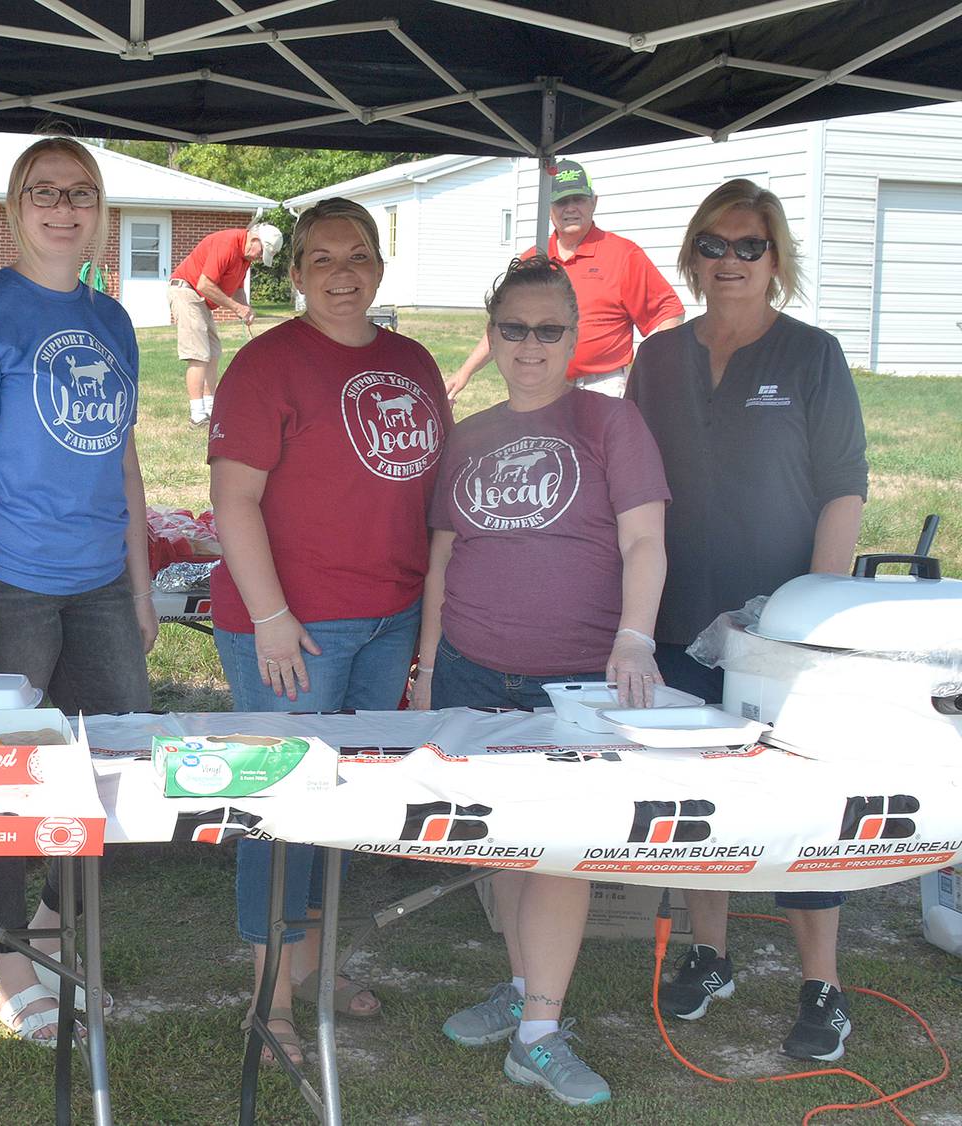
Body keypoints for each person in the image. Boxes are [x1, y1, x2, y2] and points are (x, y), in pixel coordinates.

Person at [412, 256, 670, 1107]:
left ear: (575, 335)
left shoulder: (610, 422)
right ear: (491, 337)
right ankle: (525, 989)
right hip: (471, 667)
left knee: (560, 850)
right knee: (503, 842)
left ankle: (538, 1036)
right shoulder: (468, 435)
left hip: (576, 679)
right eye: (514, 328)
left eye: (549, 329)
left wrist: (635, 637)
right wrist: (427, 669)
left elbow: (644, 540)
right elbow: (443, 560)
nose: (531, 344)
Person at [626, 179, 868, 1062]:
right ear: (692, 255)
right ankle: (709, 952)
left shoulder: (812, 354)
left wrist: (812, 616)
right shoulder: (657, 358)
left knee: (800, 798)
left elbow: (843, 490)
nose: (729, 261)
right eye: (714, 245)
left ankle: (822, 985)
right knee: (700, 794)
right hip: (677, 617)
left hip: (781, 628)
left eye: (749, 246)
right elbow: (633, 487)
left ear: (775, 259)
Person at [209, 197, 450, 1067]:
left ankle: (315, 965)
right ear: (296, 273)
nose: (342, 275)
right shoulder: (266, 364)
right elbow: (232, 500)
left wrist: (424, 633)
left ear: (379, 266)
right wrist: (272, 619)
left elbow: (428, 498)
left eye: (358, 257)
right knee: (282, 805)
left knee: (344, 803)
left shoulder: (413, 361)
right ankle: (269, 998)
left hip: (389, 618)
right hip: (294, 628)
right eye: (322, 259)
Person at [0, 136, 156, 1046]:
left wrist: (139, 585)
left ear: (100, 210)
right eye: (44, 193)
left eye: (81, 193)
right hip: (3, 583)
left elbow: (125, 464)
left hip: (98, 580)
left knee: (111, 769)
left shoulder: (114, 321)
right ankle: (12, 964)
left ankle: (56, 932)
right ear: (14, 209)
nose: (64, 209)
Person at [444, 159, 684, 401]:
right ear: (549, 208)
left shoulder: (623, 255)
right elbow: (506, 324)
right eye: (561, 201)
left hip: (602, 386)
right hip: (542, 383)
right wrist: (465, 372)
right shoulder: (534, 259)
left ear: (594, 202)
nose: (570, 208)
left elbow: (668, 312)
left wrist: (655, 368)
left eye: (578, 199)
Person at [169, 221, 284, 425]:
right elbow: (204, 284)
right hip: (186, 291)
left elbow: (238, 289)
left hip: (201, 298)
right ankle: (197, 414)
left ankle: (211, 408)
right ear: (255, 239)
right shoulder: (227, 244)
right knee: (198, 354)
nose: (259, 258)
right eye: (261, 252)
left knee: (213, 352)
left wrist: (245, 308)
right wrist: (236, 308)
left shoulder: (245, 258)